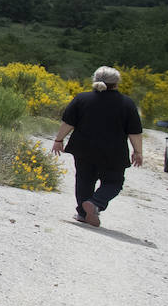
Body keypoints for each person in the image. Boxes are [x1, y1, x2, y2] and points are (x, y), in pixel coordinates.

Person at [51, 66, 143, 226]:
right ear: (117, 83)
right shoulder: (127, 103)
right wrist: (138, 152)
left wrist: (59, 140)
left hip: (83, 148)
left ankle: (82, 213)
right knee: (114, 182)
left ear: (95, 80)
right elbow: (134, 132)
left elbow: (68, 123)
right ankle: (96, 203)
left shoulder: (82, 99)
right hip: (113, 152)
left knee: (84, 180)